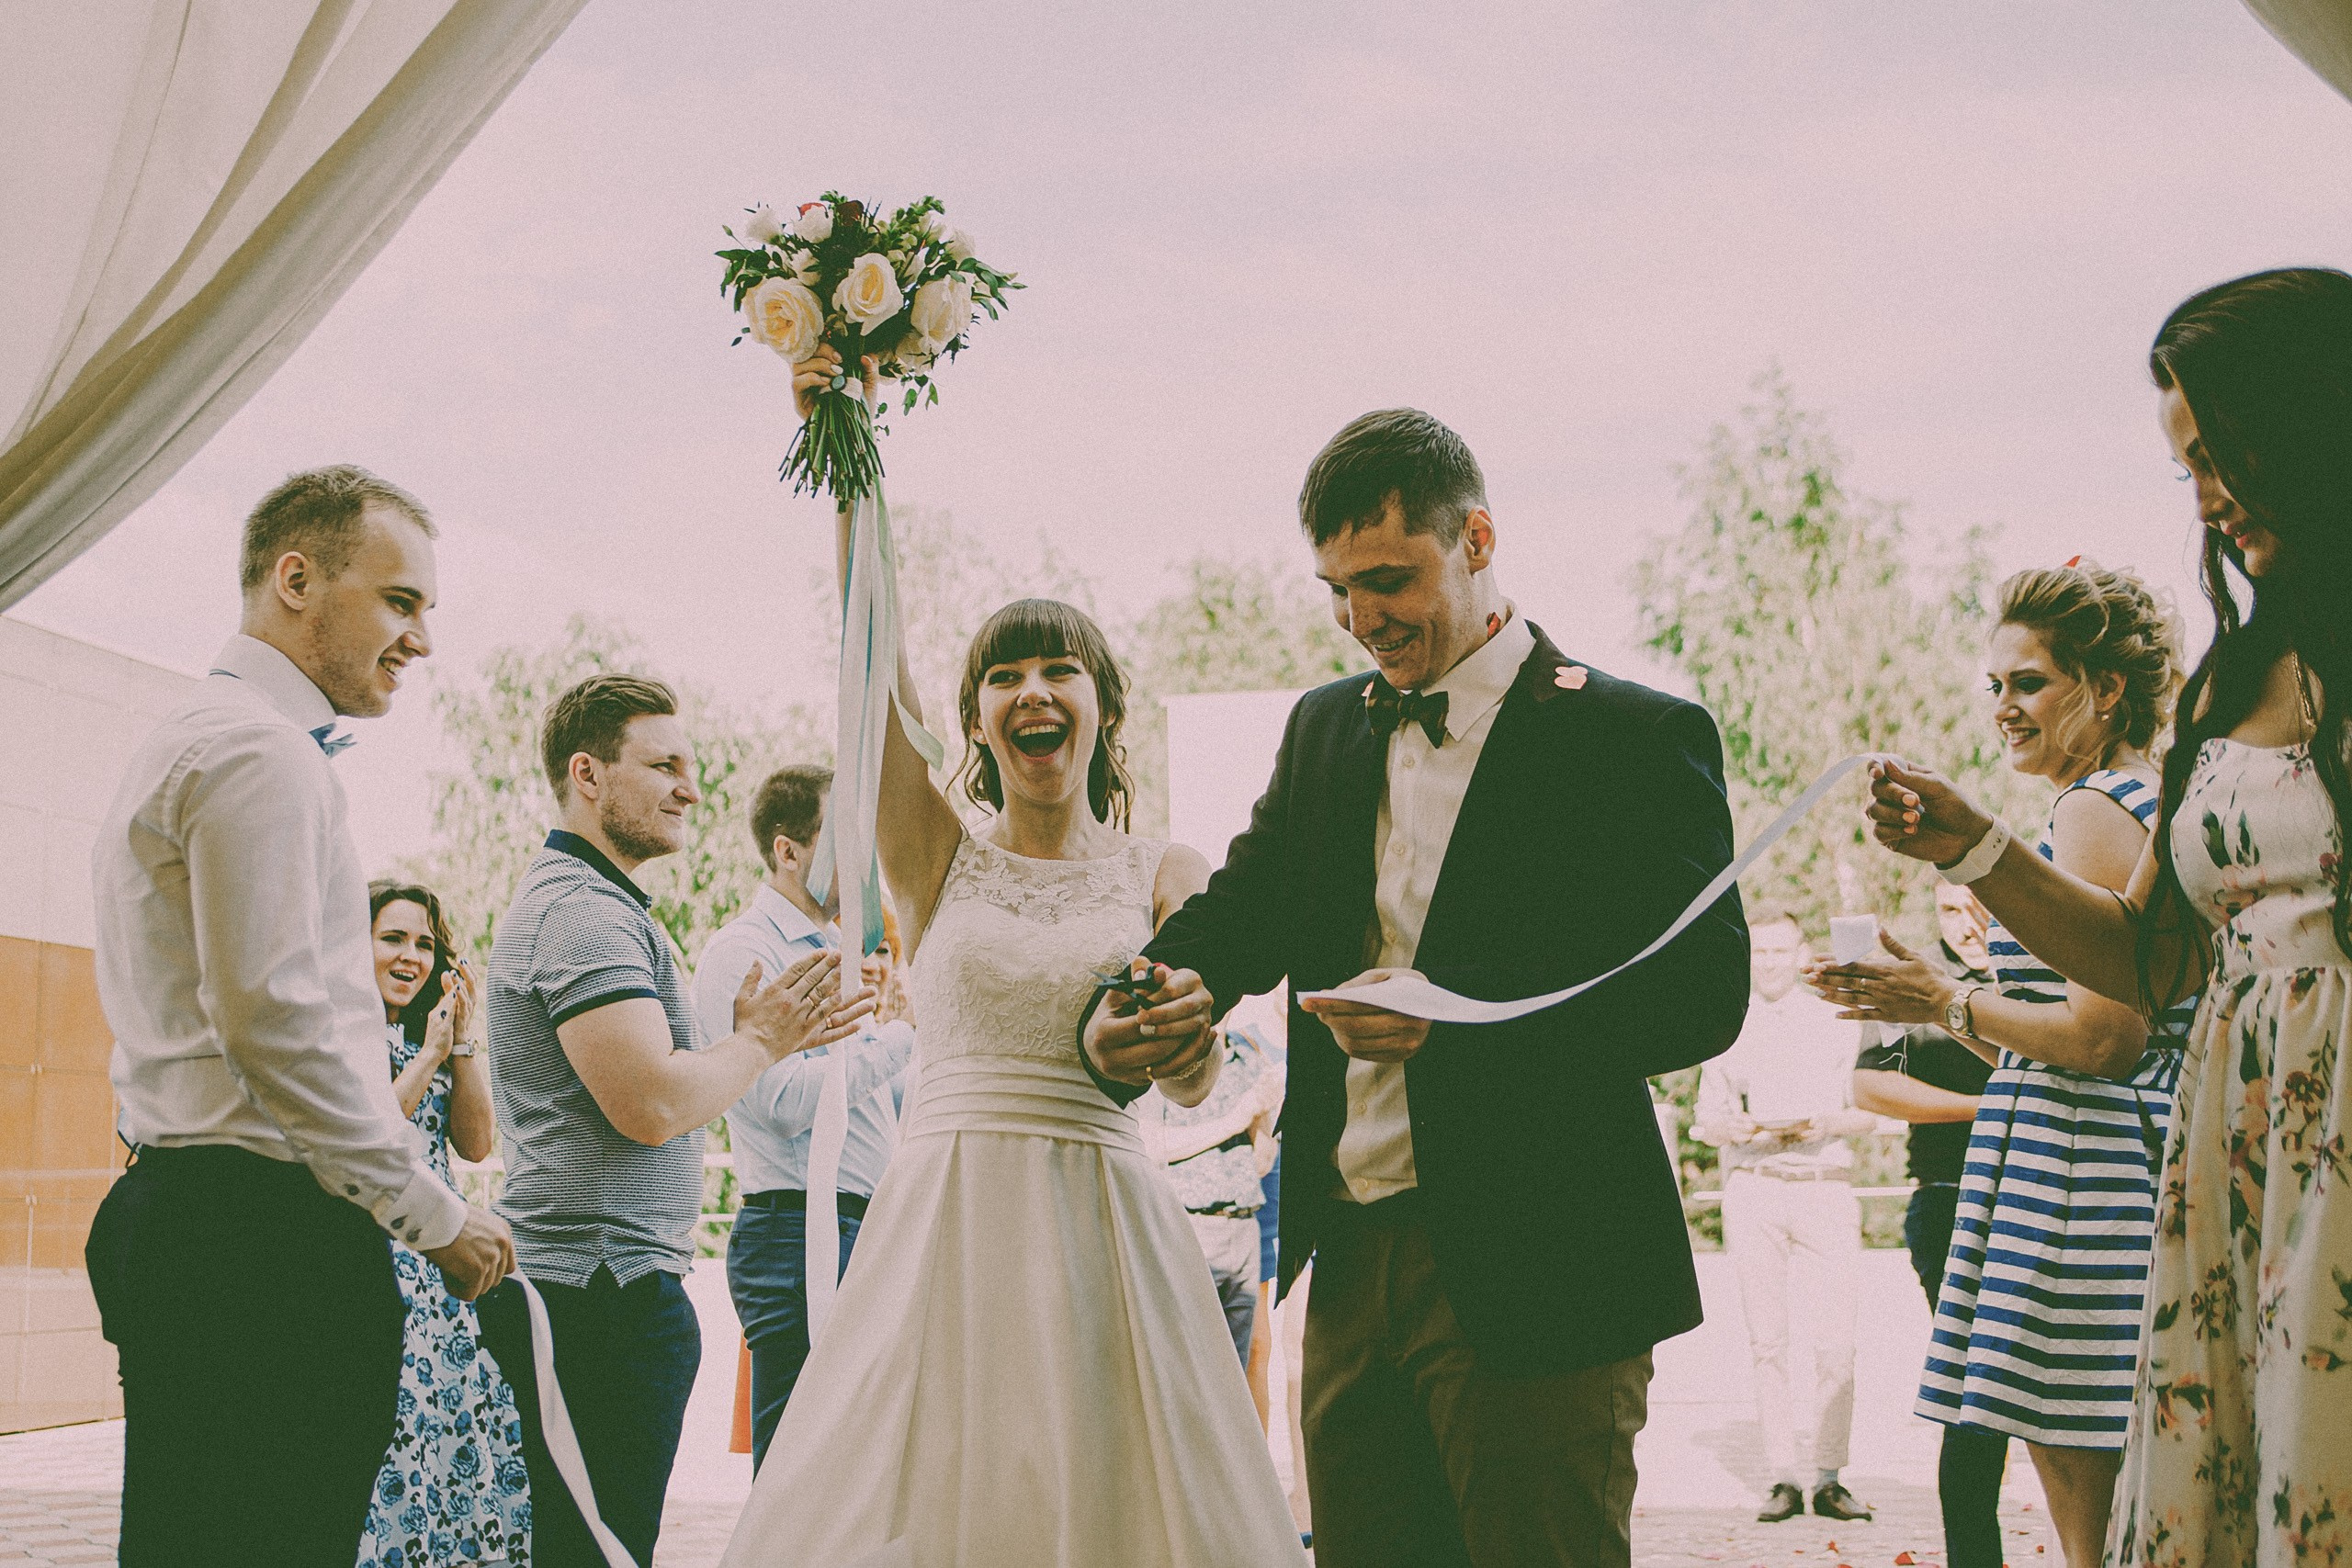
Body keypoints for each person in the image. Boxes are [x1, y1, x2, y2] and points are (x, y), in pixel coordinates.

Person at [1103, 407, 1751, 1568]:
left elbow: (1699, 998)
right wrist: (1158, 982)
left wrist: (1453, 1025)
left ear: (1478, 539)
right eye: (1335, 591)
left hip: (1546, 1260)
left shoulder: (1633, 737)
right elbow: (1251, 906)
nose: (1362, 621)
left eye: (1388, 580)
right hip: (1348, 1263)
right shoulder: (1321, 732)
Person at [717, 346, 1308, 1567]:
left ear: (1103, 705)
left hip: (1107, 1210)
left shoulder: (1166, 870)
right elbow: (864, 664)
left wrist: (1185, 1051)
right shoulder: (934, 853)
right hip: (950, 1217)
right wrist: (850, 461)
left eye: (1060, 668)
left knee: (1114, 1504)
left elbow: (1198, 1084)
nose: (1033, 690)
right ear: (979, 714)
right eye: (1004, 674)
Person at [1860, 267, 2352, 1567]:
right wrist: (1974, 843)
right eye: (2185, 465)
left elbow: (2098, 1035)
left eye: (2221, 451)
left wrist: (1945, 1003)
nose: (2204, 493)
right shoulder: (2231, 680)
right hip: (2241, 1141)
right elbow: (2150, 958)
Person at [85, 466, 516, 1568]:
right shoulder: (256, 753)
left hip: (200, 1218)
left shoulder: (200, 734)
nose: (422, 638)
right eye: (400, 601)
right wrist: (433, 1214)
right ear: (295, 579)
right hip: (260, 1246)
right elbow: (273, 1023)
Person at [1820, 561, 2192, 1568]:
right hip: (2076, 1162)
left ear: (2104, 688)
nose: (2002, 707)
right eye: (1994, 686)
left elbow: (2105, 1044)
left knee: (2093, 1519)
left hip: (2085, 1191)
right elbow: (2057, 1044)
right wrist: (1920, 986)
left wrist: (1938, 1000)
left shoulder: (2095, 807)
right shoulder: (2137, 799)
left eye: (2027, 683)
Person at [473, 675, 874, 1568]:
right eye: (664, 766)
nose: (692, 788)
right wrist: (765, 1041)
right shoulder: (581, 912)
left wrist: (741, 1043)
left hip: (613, 1292)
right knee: (596, 1552)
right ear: (588, 774)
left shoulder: (604, 905)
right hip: (594, 1299)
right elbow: (651, 1105)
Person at [691, 762, 915, 1466]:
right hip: (797, 1228)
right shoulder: (744, 952)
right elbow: (778, 1100)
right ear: (788, 851)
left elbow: (871, 1112)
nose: (864, 856)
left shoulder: (834, 952)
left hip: (862, 1223)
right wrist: (909, 1033)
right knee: (799, 1472)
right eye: (841, 837)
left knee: (857, 1468)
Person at [359, 880, 533, 1567]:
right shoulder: (342, 1036)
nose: (411, 957)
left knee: (445, 1434)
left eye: (425, 943)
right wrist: (427, 1055)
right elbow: (367, 1133)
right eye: (392, 938)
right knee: (389, 1439)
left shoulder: (426, 1033)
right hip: (374, 1260)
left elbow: (477, 1142)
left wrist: (461, 1042)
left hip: (440, 1275)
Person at [1691, 908, 1880, 1525]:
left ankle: (1828, 1475)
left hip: (1823, 1181)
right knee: (1767, 1340)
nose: (1770, 961)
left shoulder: (1837, 1021)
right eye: (1760, 951)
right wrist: (1737, 1127)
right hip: (1756, 1184)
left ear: (1802, 953)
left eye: (1781, 950)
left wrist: (1823, 1121)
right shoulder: (1726, 1023)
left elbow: (1869, 1111)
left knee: (1837, 1342)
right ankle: (1781, 1476)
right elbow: (1706, 1118)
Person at [1849, 882, 2003, 1568]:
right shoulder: (1909, 990)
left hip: (2048, 1189)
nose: (1965, 920)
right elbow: (1870, 1087)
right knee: (1975, 1399)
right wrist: (1990, 1104)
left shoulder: (2035, 973)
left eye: (1978, 902)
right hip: (1949, 1201)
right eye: (1947, 907)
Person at [1156, 1027, 1283, 1364]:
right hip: (1191, 1227)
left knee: (1235, 1366)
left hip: (1243, 1226)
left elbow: (1260, 1163)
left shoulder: (1247, 1054)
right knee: (1190, 1361)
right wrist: (1236, 1118)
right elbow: (1153, 1145)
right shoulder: (1165, 1055)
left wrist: (1268, 1112)